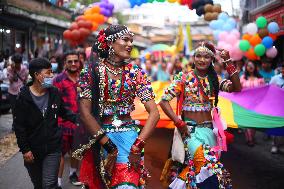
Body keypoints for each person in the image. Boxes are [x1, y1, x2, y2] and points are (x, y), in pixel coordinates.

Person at [72, 25, 159, 189]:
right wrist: (109, 146)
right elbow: (85, 113)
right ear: (110, 43)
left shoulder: (135, 72)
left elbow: (154, 113)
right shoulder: (92, 71)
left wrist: (137, 146)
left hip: (130, 140)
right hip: (100, 137)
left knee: (127, 186)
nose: (130, 44)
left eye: (131, 41)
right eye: (125, 40)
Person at [160, 42, 241, 189]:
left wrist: (228, 61)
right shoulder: (182, 78)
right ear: (193, 58)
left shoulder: (214, 79)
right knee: (206, 164)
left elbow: (236, 88)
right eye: (198, 56)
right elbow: (164, 102)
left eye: (206, 57)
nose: (201, 60)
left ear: (211, 60)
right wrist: (179, 123)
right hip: (190, 133)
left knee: (196, 170)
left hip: (210, 132)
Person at [13, 57, 78, 189]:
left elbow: (65, 112)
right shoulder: (23, 97)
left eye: (52, 72)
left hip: (53, 148)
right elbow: (19, 127)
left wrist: (81, 120)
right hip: (33, 150)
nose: (51, 75)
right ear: (37, 75)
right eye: (48, 72)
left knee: (49, 184)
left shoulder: (54, 93)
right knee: (38, 184)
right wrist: (25, 150)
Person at [53, 51, 82, 188]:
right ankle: (57, 182)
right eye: (70, 61)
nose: (73, 64)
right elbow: (52, 101)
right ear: (65, 63)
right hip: (62, 123)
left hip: (79, 122)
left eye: (75, 61)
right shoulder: (58, 79)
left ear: (79, 62)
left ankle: (73, 174)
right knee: (60, 153)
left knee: (76, 151)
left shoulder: (83, 78)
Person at [240, 61, 265, 146]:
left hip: (256, 104)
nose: (250, 67)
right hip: (244, 104)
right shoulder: (243, 78)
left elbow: (263, 91)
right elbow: (239, 90)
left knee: (253, 122)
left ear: (255, 67)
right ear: (246, 67)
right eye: (248, 66)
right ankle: (249, 139)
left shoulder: (260, 78)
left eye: (252, 65)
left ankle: (251, 137)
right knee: (247, 121)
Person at [6, 53, 29, 128]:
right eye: (16, 63)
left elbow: (26, 80)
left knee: (22, 109)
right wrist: (13, 70)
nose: (17, 65)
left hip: (21, 92)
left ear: (21, 62)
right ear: (13, 62)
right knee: (14, 109)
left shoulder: (24, 68)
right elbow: (10, 81)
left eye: (19, 63)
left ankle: (22, 124)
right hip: (12, 92)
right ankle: (15, 124)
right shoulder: (10, 69)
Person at [268, 64, 284, 153]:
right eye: (282, 69)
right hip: (276, 106)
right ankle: (275, 145)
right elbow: (269, 89)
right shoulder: (275, 78)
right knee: (276, 126)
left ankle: (281, 145)